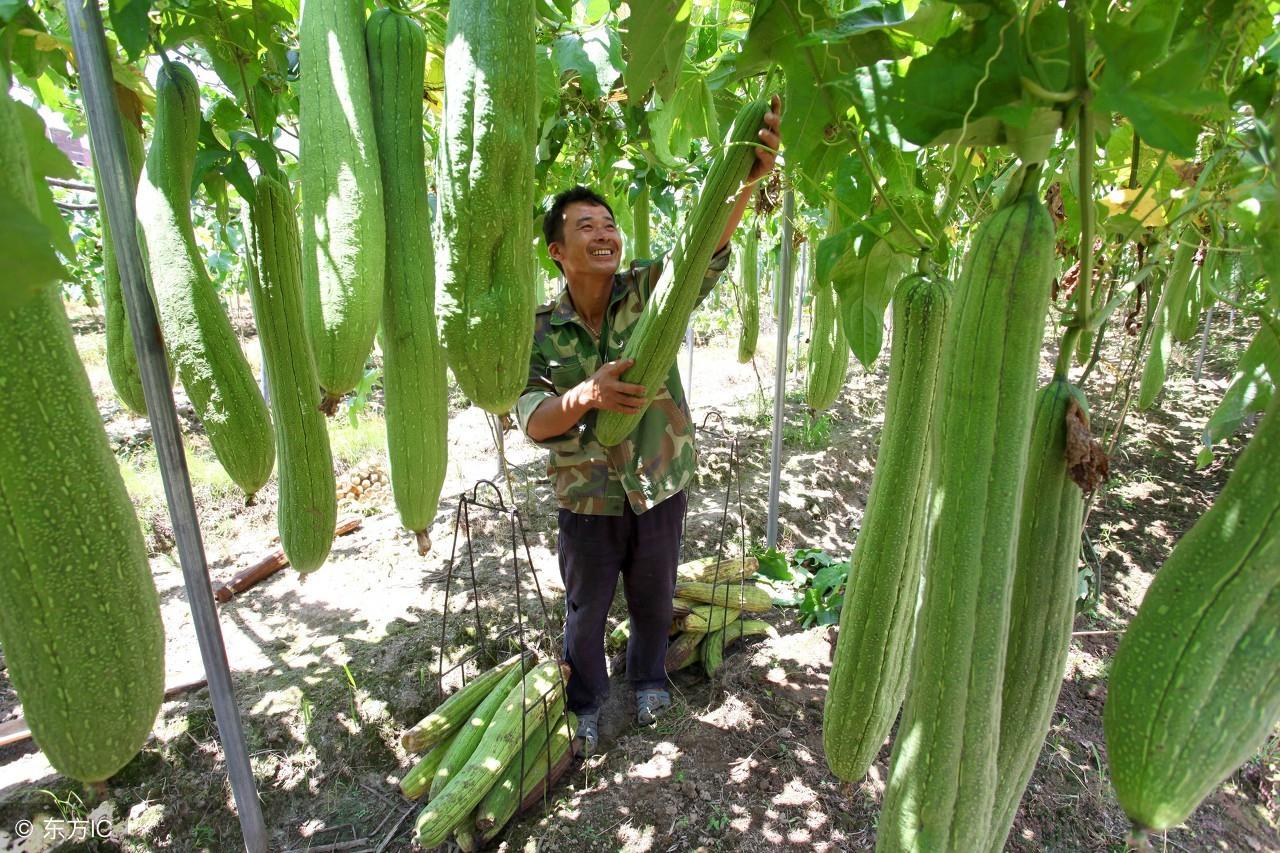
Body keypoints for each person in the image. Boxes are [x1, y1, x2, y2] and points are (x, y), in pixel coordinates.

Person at [516, 96, 782, 756]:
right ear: (558, 249)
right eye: (586, 226)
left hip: (660, 481)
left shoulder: (648, 288)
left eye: (609, 223)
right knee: (585, 608)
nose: (605, 232)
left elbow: (709, 244)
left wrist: (746, 178)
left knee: (655, 595)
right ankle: (585, 700)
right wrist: (586, 394)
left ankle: (649, 679)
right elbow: (531, 419)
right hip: (586, 497)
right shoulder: (539, 334)